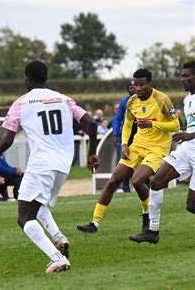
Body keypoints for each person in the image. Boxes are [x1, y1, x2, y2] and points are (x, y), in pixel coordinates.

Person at [0, 60, 100, 273]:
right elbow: (91, 123)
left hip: (42, 163)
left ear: (27, 79)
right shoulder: (64, 99)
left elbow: (7, 139)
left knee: (24, 217)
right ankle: (59, 238)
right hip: (63, 165)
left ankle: (57, 257)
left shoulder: (22, 103)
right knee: (37, 203)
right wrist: (92, 153)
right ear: (45, 78)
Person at [77, 69, 180, 234]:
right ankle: (94, 223)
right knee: (113, 180)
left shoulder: (162, 99)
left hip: (156, 149)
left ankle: (147, 215)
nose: (138, 88)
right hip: (136, 146)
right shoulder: (132, 102)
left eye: (141, 85)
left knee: (138, 180)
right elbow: (127, 124)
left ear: (149, 83)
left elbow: (175, 125)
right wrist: (124, 144)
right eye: (135, 85)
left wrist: (152, 124)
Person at [129, 61, 195, 244]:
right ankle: (152, 231)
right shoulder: (188, 100)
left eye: (186, 76)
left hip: (192, 143)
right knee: (157, 181)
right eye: (181, 76)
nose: (182, 80)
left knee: (191, 206)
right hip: (187, 149)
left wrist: (190, 134)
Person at [111, 81, 137, 192]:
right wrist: (115, 133)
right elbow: (117, 118)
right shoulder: (124, 102)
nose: (134, 89)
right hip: (126, 136)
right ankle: (124, 187)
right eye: (131, 88)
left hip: (141, 135)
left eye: (135, 87)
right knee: (124, 160)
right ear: (128, 90)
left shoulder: (146, 100)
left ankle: (146, 184)